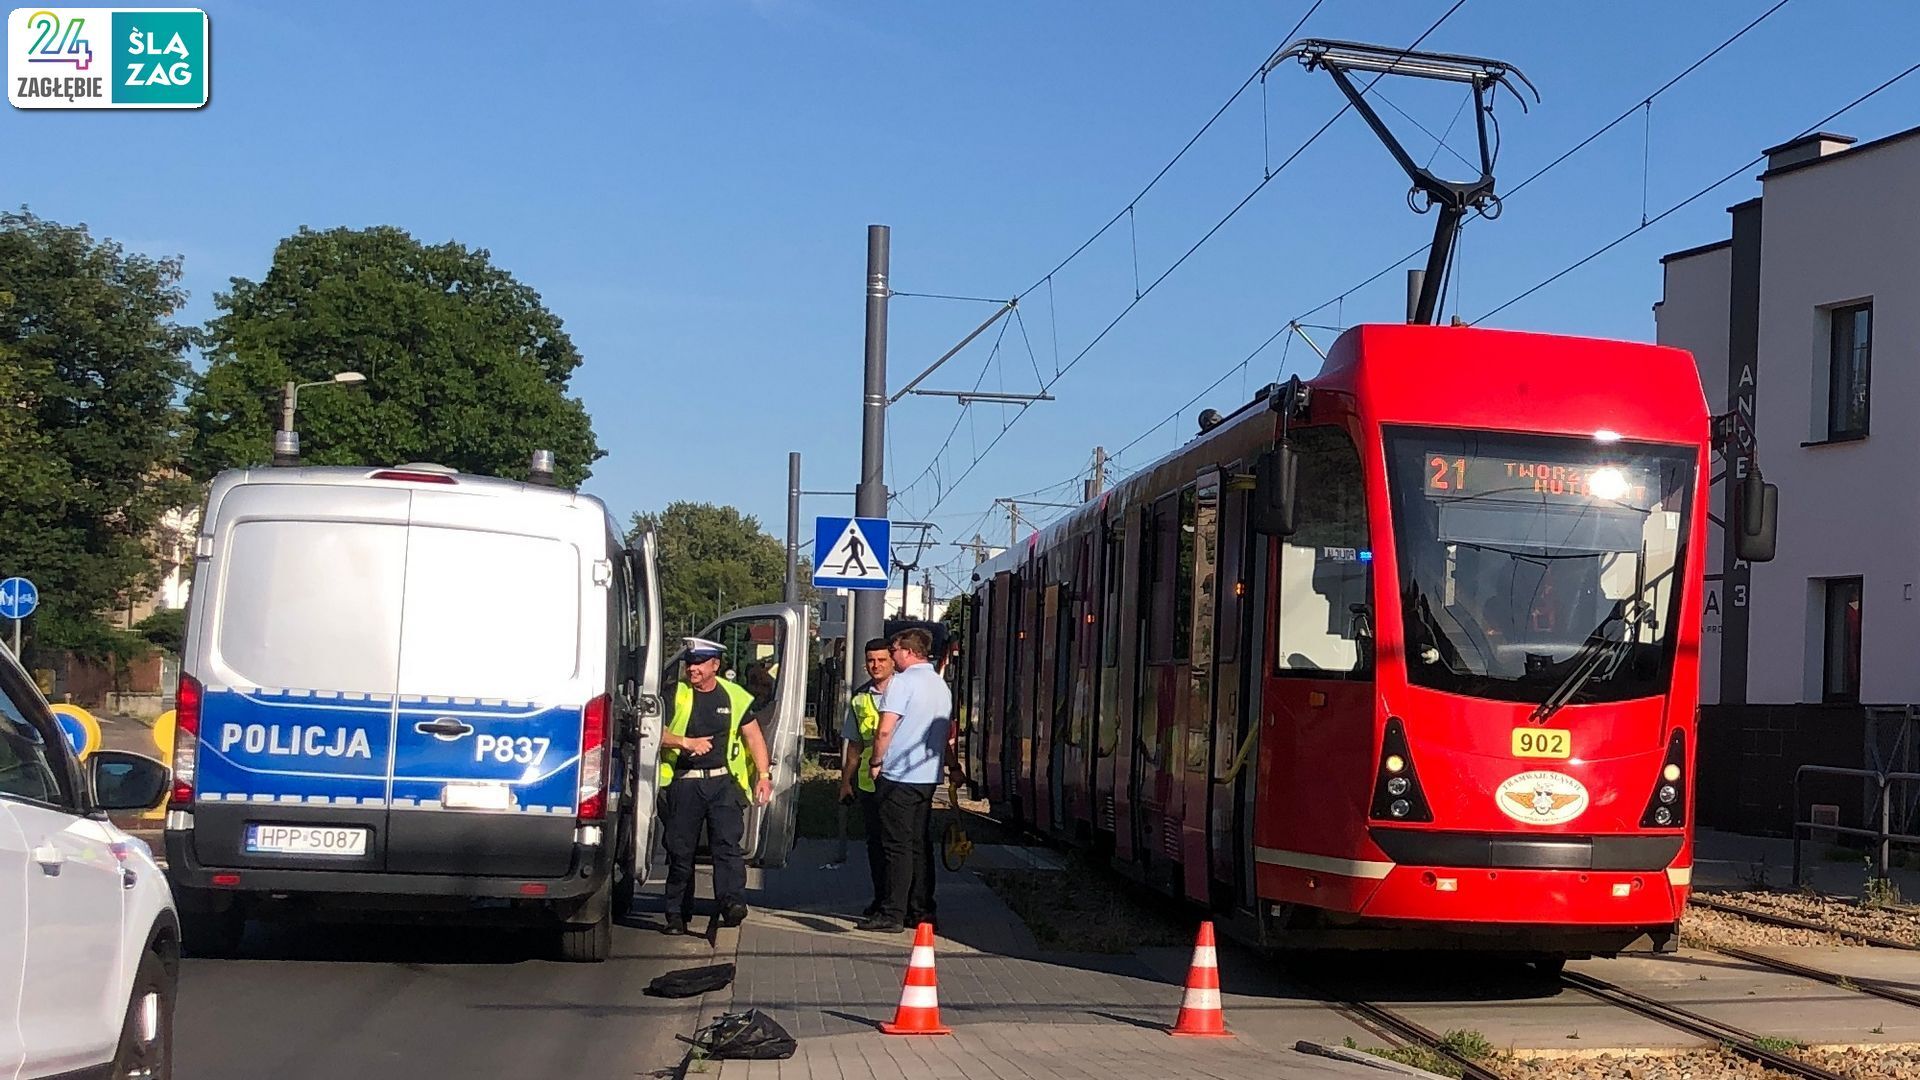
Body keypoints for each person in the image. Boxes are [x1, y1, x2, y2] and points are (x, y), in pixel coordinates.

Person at [658, 636, 775, 935]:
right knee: (681, 852)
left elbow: (753, 737)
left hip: (723, 782)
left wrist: (763, 775)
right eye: (689, 663)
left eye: (698, 663)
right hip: (684, 784)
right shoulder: (674, 694)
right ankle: (675, 914)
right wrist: (685, 742)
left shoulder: (733, 695)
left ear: (715, 665)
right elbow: (652, 732)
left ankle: (731, 903)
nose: (692, 668)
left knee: (727, 846)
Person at [856, 628, 952, 934]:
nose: (892, 656)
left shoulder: (902, 684)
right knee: (918, 845)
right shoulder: (940, 685)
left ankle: (891, 912)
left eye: (895, 651)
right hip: (927, 777)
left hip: (898, 775)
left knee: (895, 846)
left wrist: (876, 762)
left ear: (908, 652)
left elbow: (885, 730)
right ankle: (922, 910)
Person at [838, 638, 896, 919]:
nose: (876, 665)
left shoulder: (903, 691)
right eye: (871, 660)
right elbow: (854, 745)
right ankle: (881, 899)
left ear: (892, 661)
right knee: (875, 845)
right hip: (868, 783)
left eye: (881, 660)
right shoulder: (860, 697)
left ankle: (897, 904)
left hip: (898, 779)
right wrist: (845, 782)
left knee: (895, 846)